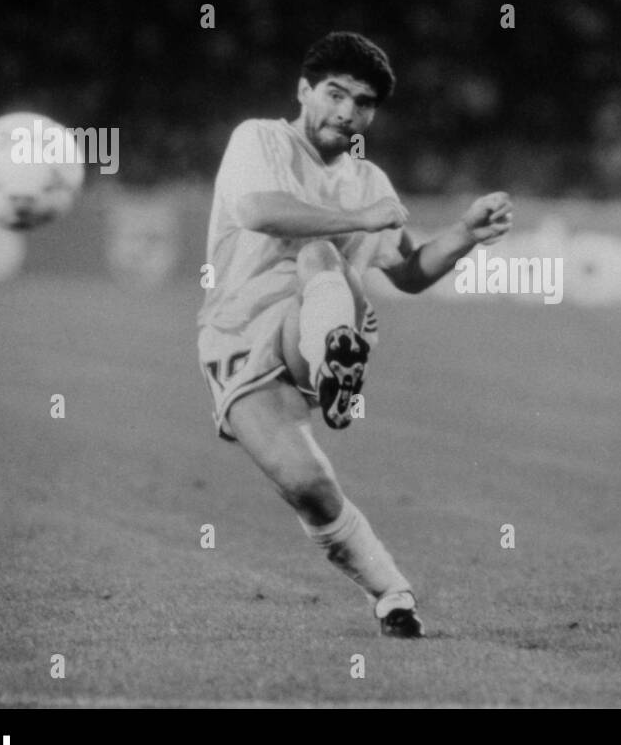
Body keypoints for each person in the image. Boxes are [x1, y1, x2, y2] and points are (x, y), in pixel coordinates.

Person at [197, 32, 512, 637]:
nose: (347, 112)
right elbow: (260, 212)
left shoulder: (372, 183)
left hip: (313, 330)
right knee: (308, 487)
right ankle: (393, 592)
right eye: (335, 94)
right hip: (238, 335)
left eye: (362, 103)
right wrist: (360, 220)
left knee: (321, 258)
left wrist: (467, 233)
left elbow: (411, 272)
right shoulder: (259, 139)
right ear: (304, 91)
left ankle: (333, 357)